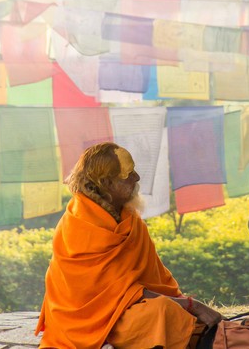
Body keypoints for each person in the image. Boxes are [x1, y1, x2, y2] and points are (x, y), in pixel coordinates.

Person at [35, 142, 222, 349]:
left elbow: (150, 280)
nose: (137, 178)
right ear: (106, 182)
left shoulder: (129, 219)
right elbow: (118, 291)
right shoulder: (79, 225)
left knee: (169, 312)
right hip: (83, 322)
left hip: (124, 310)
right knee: (162, 311)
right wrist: (190, 305)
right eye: (128, 174)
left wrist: (182, 304)